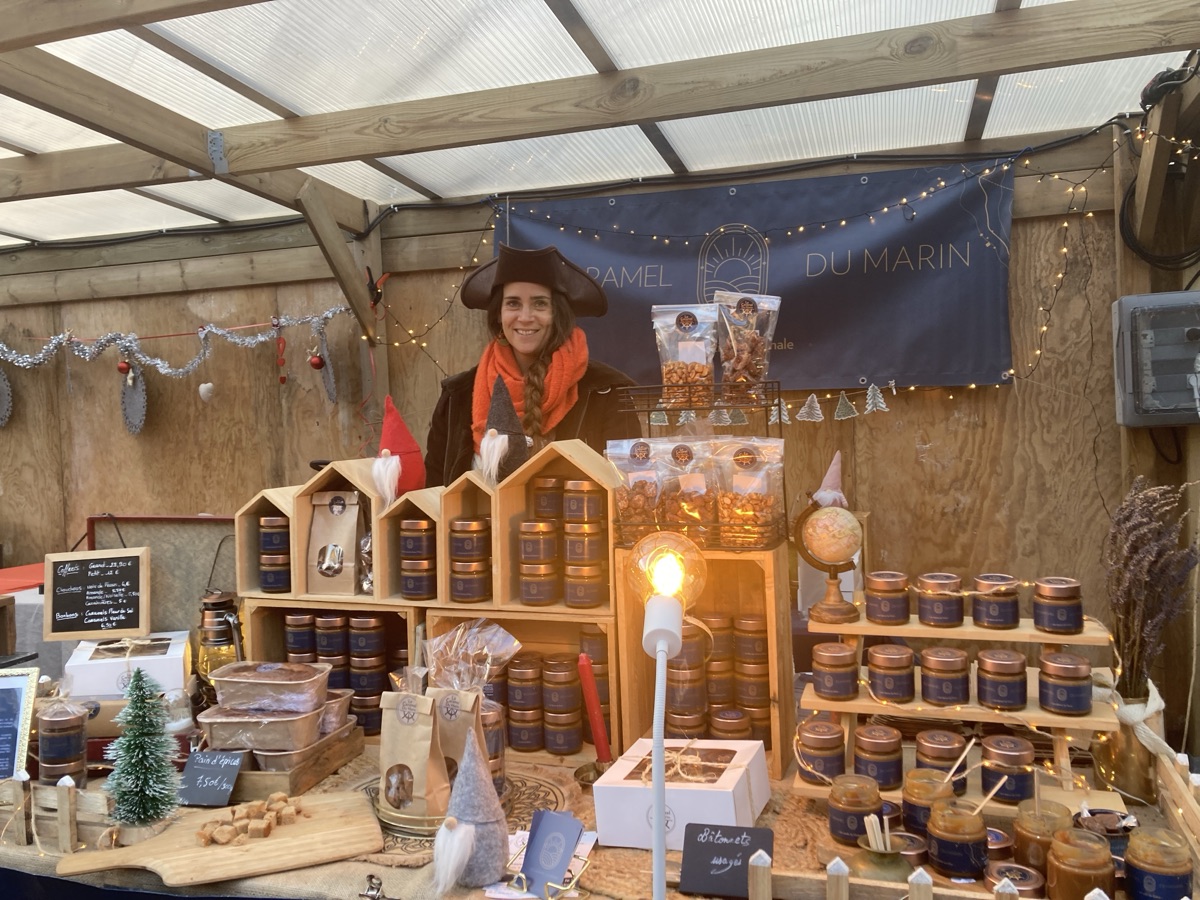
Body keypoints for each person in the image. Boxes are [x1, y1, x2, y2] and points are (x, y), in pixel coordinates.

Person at [424, 244, 640, 486]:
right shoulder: (458, 397)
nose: (525, 317)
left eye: (540, 304)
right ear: (499, 314)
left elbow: (630, 489)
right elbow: (434, 493)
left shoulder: (605, 393)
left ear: (557, 313)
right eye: (513, 304)